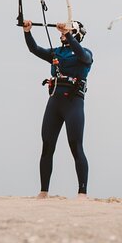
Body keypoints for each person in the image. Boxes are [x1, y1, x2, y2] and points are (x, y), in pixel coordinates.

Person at [22, 19, 93, 199]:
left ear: (75, 33)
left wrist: (68, 33)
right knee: (47, 145)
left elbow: (83, 57)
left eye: (67, 32)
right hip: (55, 103)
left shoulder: (85, 53)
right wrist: (27, 31)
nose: (61, 34)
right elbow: (34, 49)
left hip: (73, 103)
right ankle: (44, 191)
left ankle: (82, 193)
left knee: (75, 146)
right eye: (62, 33)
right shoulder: (57, 52)